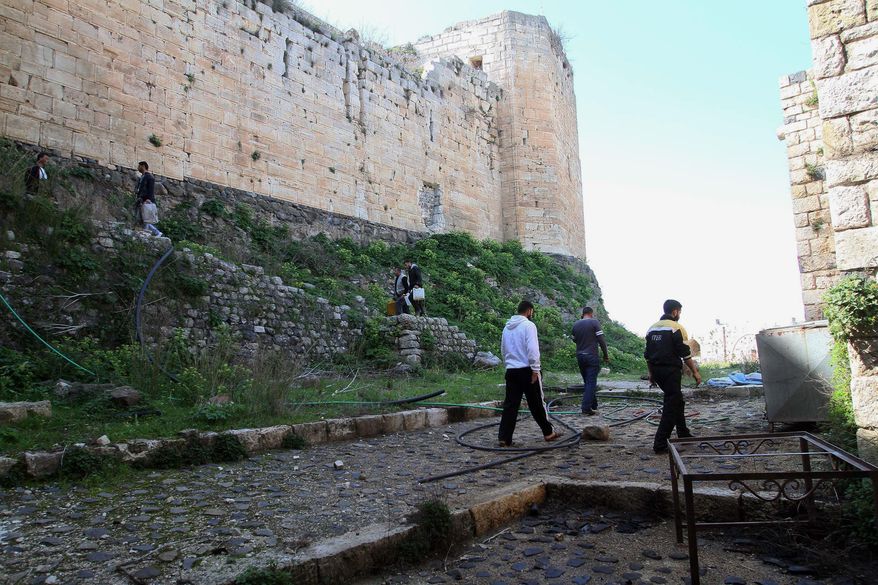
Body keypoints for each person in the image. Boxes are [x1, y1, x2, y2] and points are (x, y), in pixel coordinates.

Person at [498, 300, 562, 447]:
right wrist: (535, 369)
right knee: (537, 403)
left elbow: (503, 349)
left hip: (511, 370)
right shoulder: (529, 325)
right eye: (532, 312)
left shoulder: (507, 327)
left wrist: (508, 365)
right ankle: (548, 432)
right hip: (527, 370)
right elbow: (533, 349)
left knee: (510, 405)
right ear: (529, 311)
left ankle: (504, 438)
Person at [644, 299, 702, 454]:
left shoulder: (651, 328)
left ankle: (683, 432)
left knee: (677, 400)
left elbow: (648, 355)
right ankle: (660, 444)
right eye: (680, 312)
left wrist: (651, 374)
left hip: (657, 370)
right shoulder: (677, 328)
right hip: (670, 371)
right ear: (675, 311)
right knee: (671, 404)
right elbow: (685, 354)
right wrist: (695, 372)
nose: (679, 315)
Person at [572, 306, 609, 415]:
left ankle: (594, 405)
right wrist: (605, 355)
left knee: (587, 382)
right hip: (591, 356)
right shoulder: (594, 322)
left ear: (582, 314)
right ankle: (586, 408)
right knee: (591, 382)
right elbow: (601, 340)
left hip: (580, 356)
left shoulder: (576, 324)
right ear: (591, 314)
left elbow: (575, 339)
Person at [134, 161, 161, 236]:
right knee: (143, 218)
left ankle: (156, 232)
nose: (138, 168)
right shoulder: (142, 177)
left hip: (146, 200)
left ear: (143, 166)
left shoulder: (149, 177)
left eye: (139, 166)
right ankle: (152, 232)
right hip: (141, 199)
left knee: (146, 218)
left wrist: (148, 199)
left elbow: (150, 189)